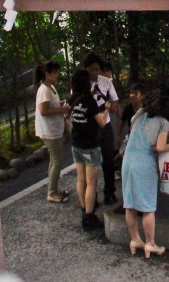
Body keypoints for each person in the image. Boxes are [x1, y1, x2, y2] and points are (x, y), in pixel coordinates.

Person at [120, 90, 169, 258]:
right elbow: (160, 147)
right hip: (144, 164)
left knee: (129, 204)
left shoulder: (138, 115)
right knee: (147, 207)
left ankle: (135, 240)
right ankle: (150, 244)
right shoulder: (163, 122)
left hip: (127, 162)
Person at [68, 68, 107, 229]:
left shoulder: (71, 99)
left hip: (76, 144)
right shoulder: (90, 101)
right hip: (90, 146)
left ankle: (84, 209)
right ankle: (89, 217)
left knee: (80, 179)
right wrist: (106, 110)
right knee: (92, 183)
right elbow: (102, 123)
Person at [83, 53, 120, 205]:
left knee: (108, 160)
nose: (94, 72)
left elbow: (116, 102)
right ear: (85, 69)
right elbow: (77, 105)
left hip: (105, 126)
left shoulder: (106, 82)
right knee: (90, 164)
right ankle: (91, 197)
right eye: (91, 69)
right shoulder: (80, 83)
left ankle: (109, 192)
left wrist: (111, 106)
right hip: (89, 128)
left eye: (97, 69)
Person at [35, 61, 70, 204]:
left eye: (57, 71)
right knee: (57, 161)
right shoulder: (43, 90)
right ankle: (52, 193)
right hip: (49, 131)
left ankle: (53, 188)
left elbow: (51, 105)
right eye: (55, 72)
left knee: (54, 161)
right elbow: (43, 110)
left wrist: (62, 103)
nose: (57, 74)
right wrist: (62, 109)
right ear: (47, 74)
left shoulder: (51, 87)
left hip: (54, 129)